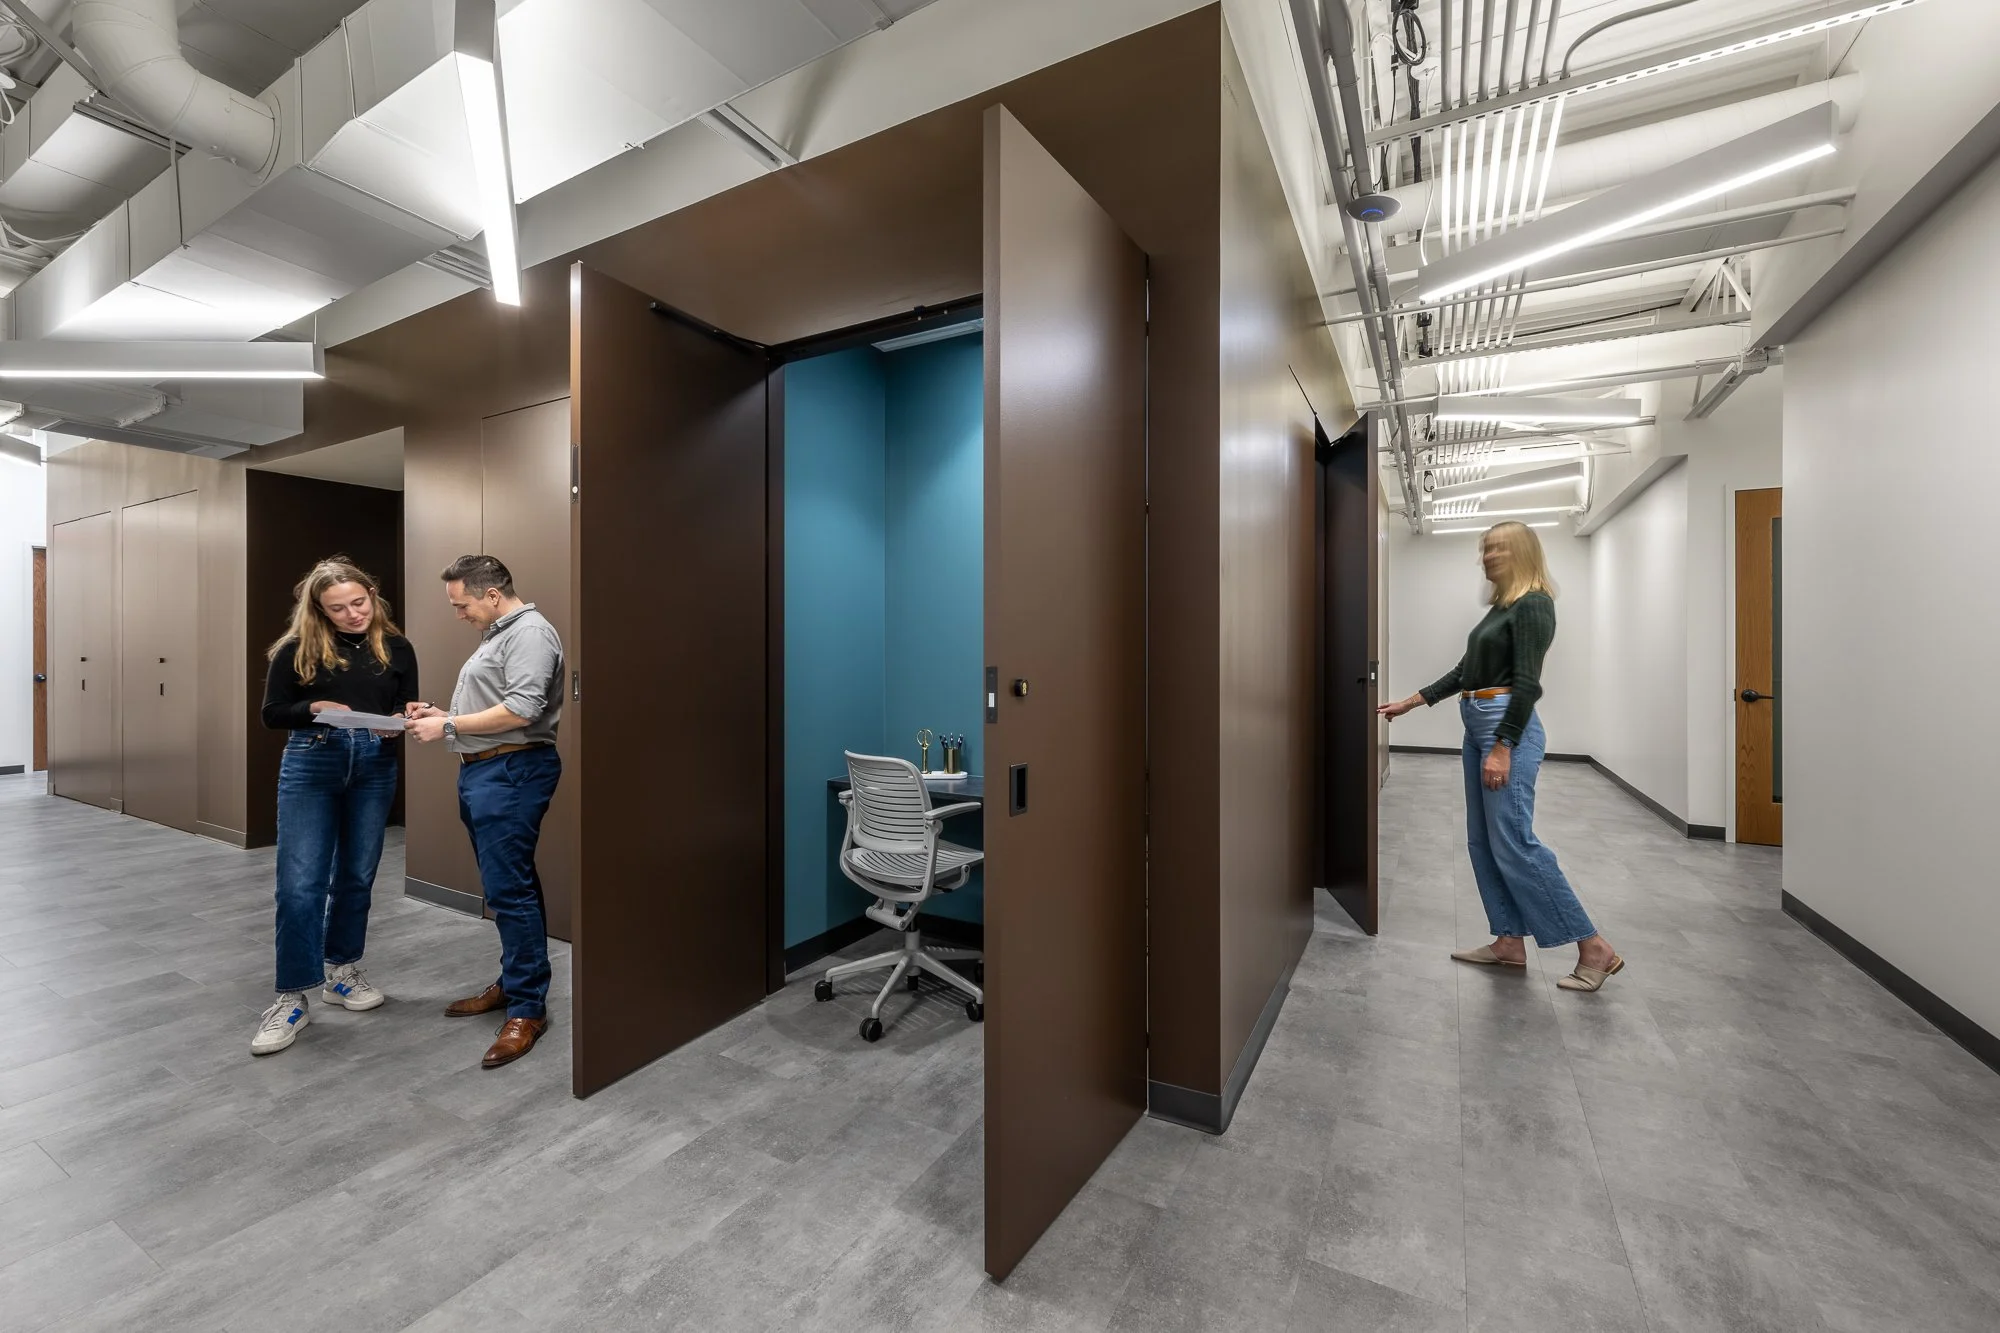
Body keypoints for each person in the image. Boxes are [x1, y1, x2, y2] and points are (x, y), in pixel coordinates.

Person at [1377, 521, 1624, 993]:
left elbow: (1527, 683)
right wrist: (1412, 701)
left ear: (1523, 553)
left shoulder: (1534, 604)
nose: (1487, 556)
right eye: (1485, 548)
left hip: (1504, 726)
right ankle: (1509, 941)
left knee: (1514, 841)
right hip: (1478, 723)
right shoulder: (1501, 609)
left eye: (1498, 548)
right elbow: (1465, 671)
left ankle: (1594, 947)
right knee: (1482, 841)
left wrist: (1503, 746)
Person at [253, 557, 419, 1055]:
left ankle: (341, 972)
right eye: (338, 608)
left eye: (359, 602)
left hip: (374, 764)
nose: (353, 614)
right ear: (320, 611)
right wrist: (313, 708)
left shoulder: (398, 647)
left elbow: (403, 704)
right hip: (312, 760)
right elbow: (271, 714)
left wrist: (405, 716)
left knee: (356, 876)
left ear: (372, 595)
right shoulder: (296, 649)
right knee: (300, 883)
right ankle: (291, 998)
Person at [405, 555, 564, 1069]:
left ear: (492, 595)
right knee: (510, 884)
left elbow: (522, 709)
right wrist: (444, 715)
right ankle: (518, 982)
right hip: (486, 771)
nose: (459, 614)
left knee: (508, 890)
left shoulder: (530, 634)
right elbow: (497, 702)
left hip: (511, 772)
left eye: (462, 605)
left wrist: (448, 727)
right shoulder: (500, 633)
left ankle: (527, 1009)